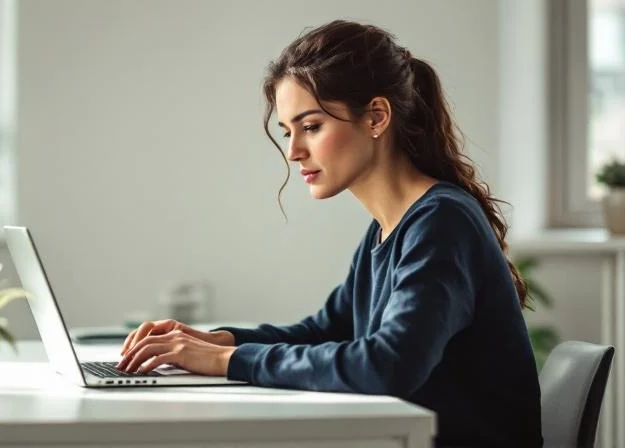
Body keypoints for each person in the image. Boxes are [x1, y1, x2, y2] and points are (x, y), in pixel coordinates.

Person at [115, 20, 543, 448]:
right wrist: (215, 341)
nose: (293, 151)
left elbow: (386, 365)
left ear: (376, 117)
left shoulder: (442, 220)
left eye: (312, 126)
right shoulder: (389, 227)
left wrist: (228, 360)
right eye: (288, 131)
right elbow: (326, 330)